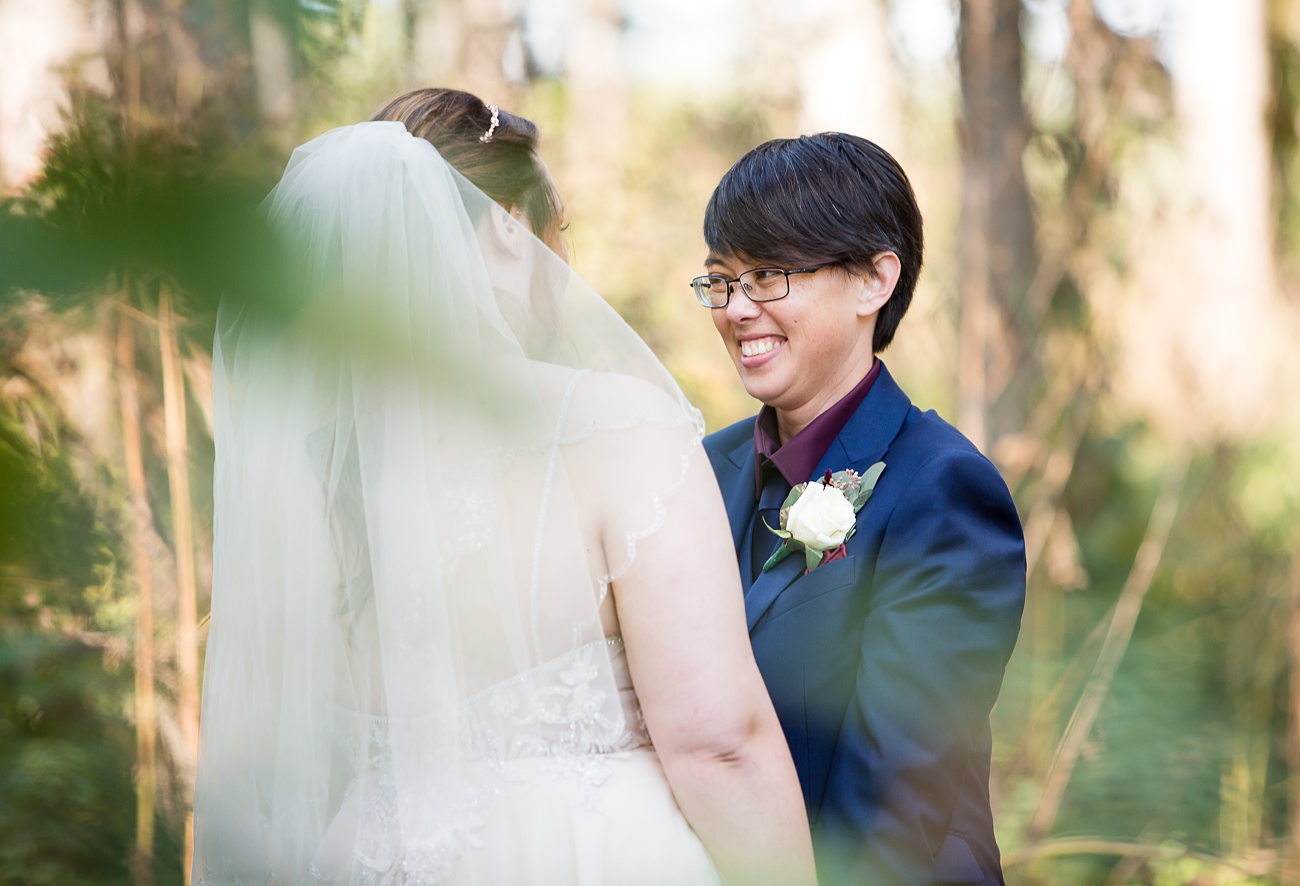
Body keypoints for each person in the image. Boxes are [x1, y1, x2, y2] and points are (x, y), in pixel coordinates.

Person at [192, 88, 816, 886]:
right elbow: (718, 743)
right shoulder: (616, 428)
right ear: (509, 229)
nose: (567, 262)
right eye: (560, 228)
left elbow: (280, 768)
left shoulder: (315, 475)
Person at [693, 133, 1028, 886]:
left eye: (770, 275)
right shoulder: (694, 473)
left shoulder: (944, 491)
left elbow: (896, 808)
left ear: (875, 280)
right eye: (721, 281)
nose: (737, 309)